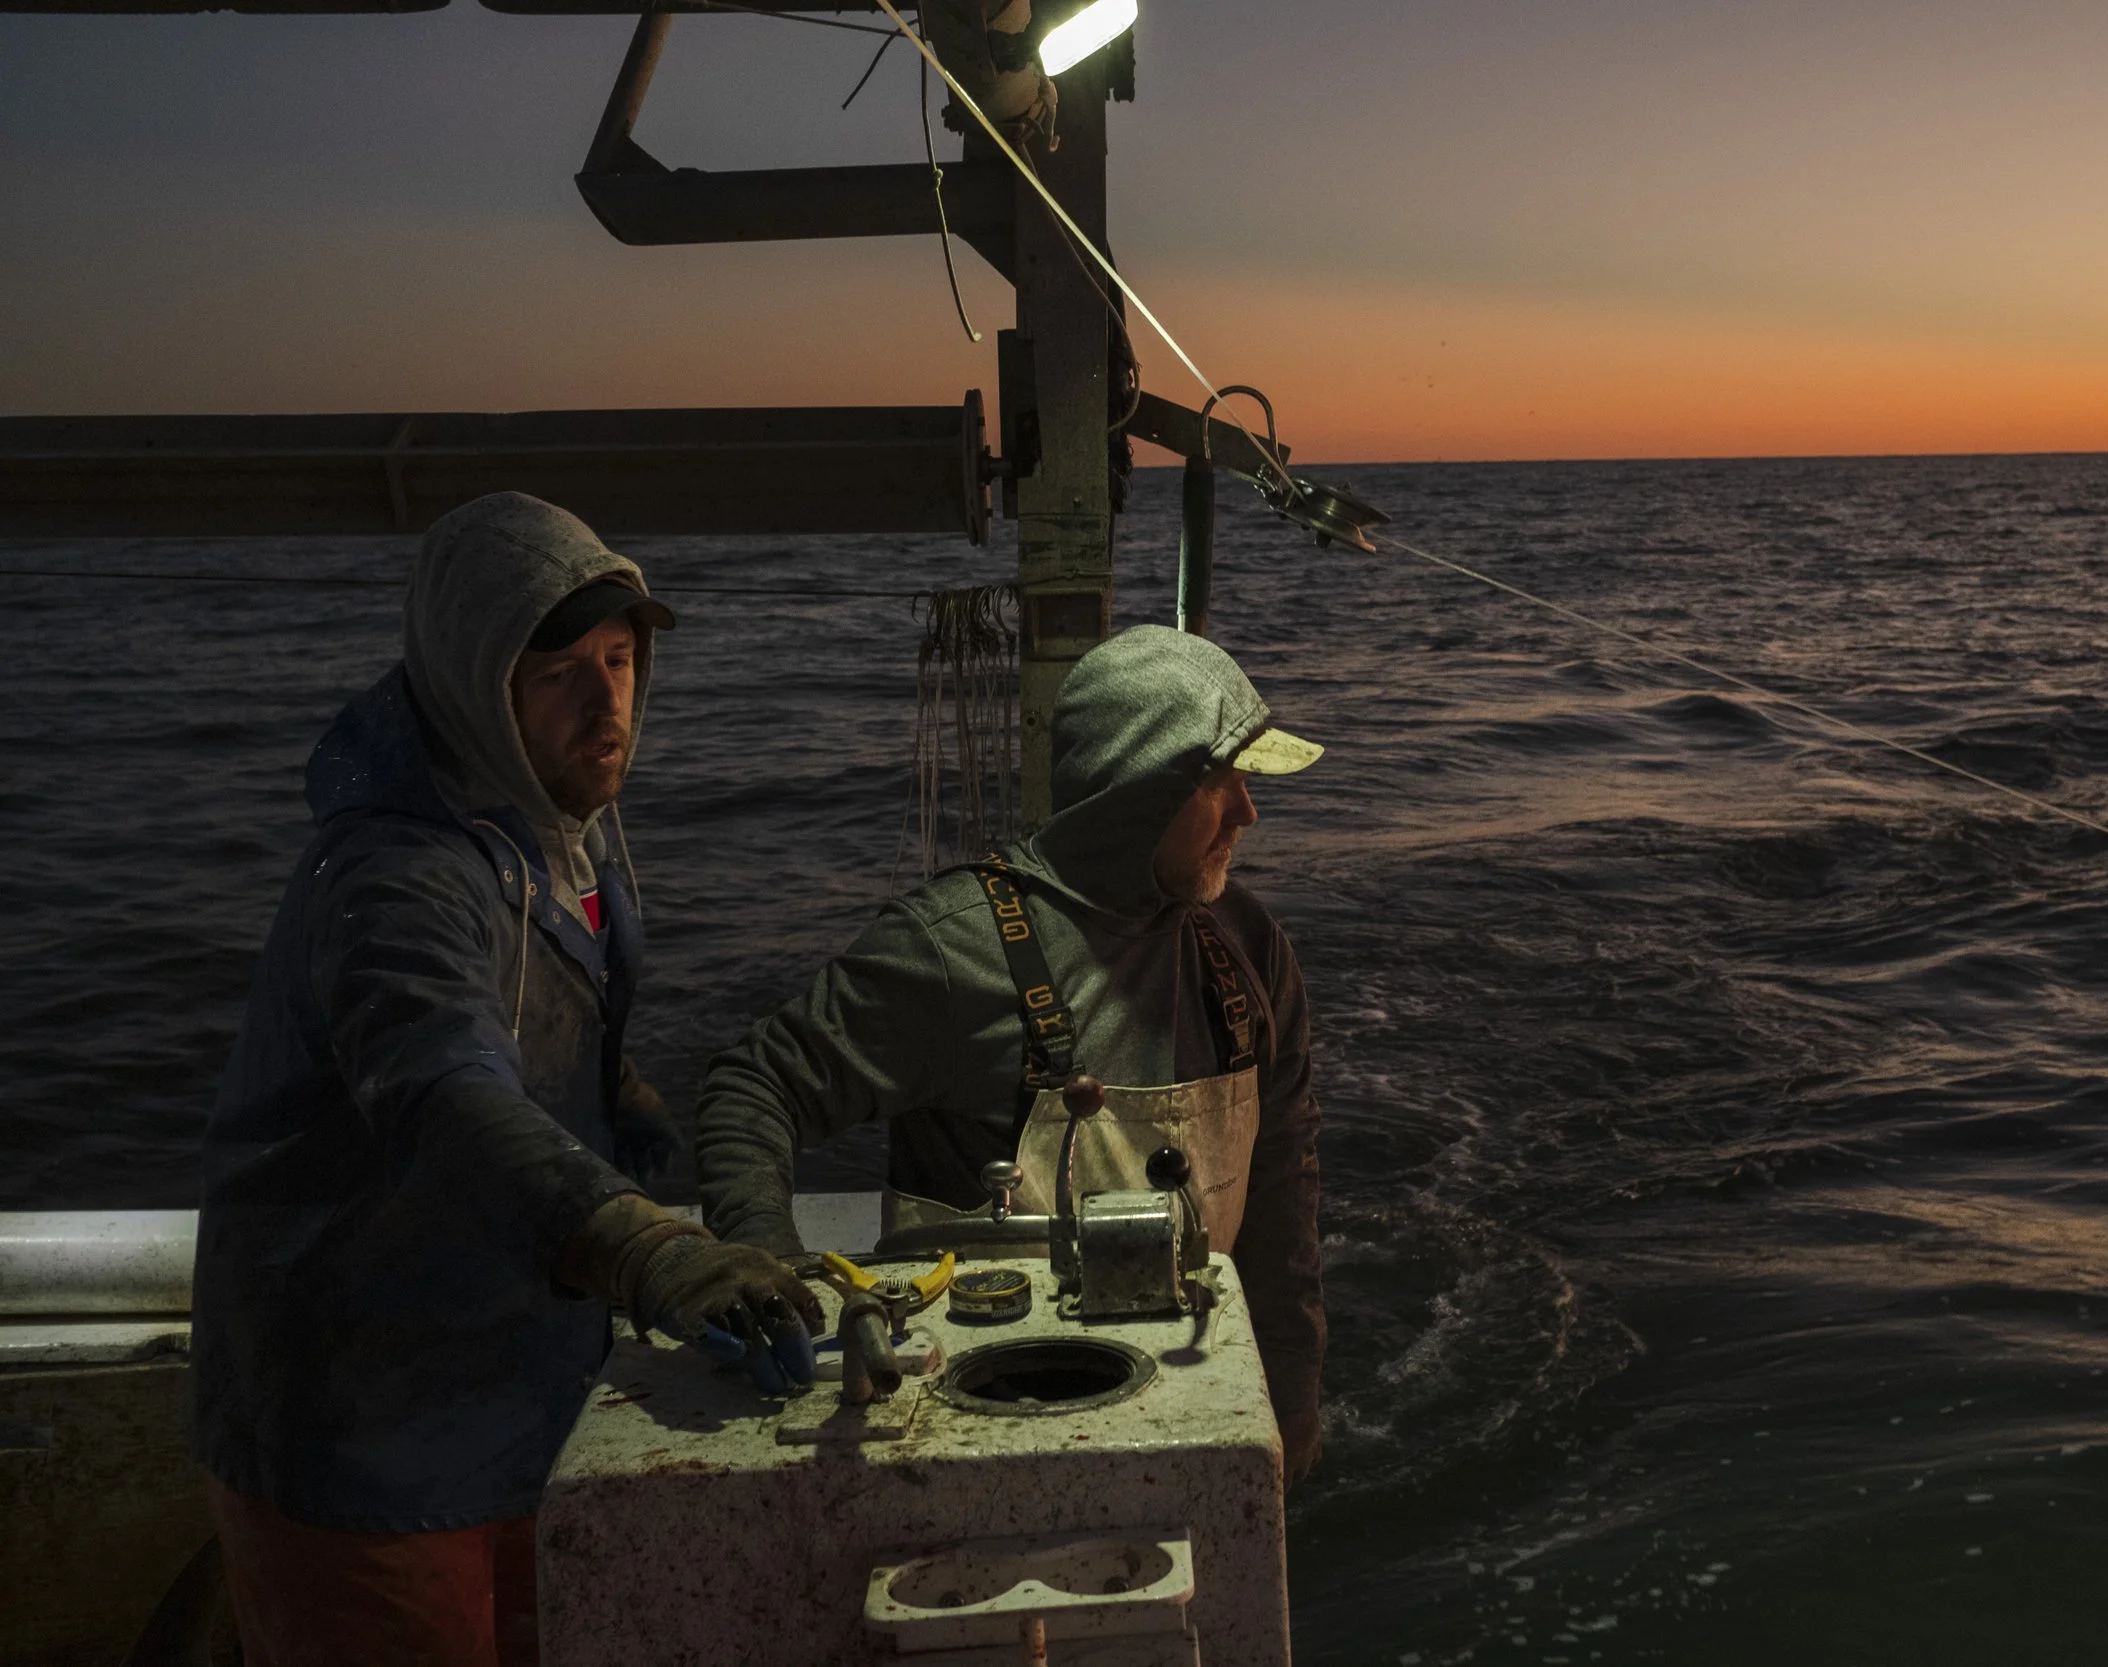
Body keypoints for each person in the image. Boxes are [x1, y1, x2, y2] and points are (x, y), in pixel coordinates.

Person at [191, 492, 823, 1667]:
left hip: (519, 1375)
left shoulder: (545, 826)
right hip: (364, 1427)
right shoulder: (397, 881)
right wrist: (650, 1248)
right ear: (476, 683)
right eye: (557, 674)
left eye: (623, 660)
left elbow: (527, 992)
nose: (608, 705)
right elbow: (440, 1090)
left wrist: (606, 1078)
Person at [698, 624, 1327, 1483]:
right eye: (1221, 780)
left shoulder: (1246, 949)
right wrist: (768, 1268)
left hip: (1189, 1410)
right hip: (963, 1440)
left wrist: (1288, 1405)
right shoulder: (952, 953)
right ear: (1138, 787)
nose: (1250, 810)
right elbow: (755, 1086)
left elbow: (1282, 1203)